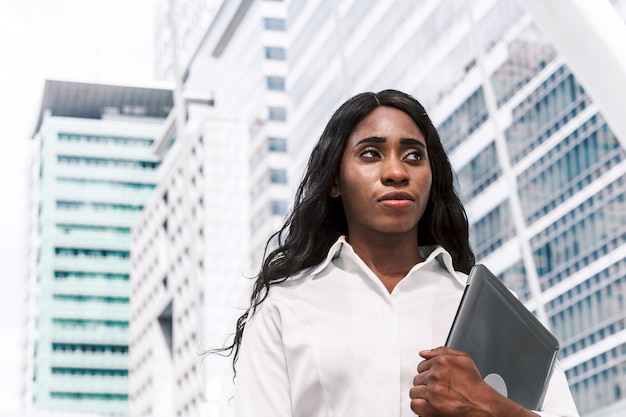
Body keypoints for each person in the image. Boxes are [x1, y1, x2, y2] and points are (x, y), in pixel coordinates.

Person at [227, 90, 579, 417]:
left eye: (413, 156)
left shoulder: (491, 311)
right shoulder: (285, 309)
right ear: (335, 180)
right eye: (370, 154)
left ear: (431, 176)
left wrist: (488, 407)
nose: (396, 172)